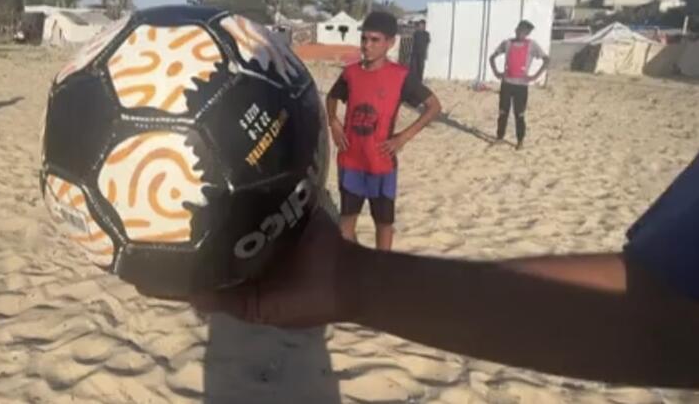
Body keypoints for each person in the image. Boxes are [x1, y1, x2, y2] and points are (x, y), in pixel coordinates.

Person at [189, 155, 699, 389]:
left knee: (383, 217)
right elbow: (658, 310)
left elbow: (655, 313)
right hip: (351, 171)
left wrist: (357, 281)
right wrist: (352, 280)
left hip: (382, 166)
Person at [325, 11, 442, 250]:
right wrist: (333, 122)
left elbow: (434, 106)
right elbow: (332, 96)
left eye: (374, 40)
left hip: (381, 163)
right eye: (364, 39)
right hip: (350, 160)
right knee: (347, 220)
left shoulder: (401, 77)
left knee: (384, 223)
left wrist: (403, 137)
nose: (367, 45)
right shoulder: (350, 73)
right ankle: (350, 266)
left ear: (390, 43)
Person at [489, 20, 550, 150]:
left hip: (521, 86)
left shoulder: (532, 45)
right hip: (507, 84)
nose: (520, 33)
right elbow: (492, 57)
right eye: (519, 30)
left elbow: (546, 60)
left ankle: (520, 141)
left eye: (524, 31)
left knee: (519, 114)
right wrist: (496, 72)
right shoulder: (508, 43)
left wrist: (534, 76)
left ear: (527, 33)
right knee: (503, 112)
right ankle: (500, 137)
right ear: (516, 30)